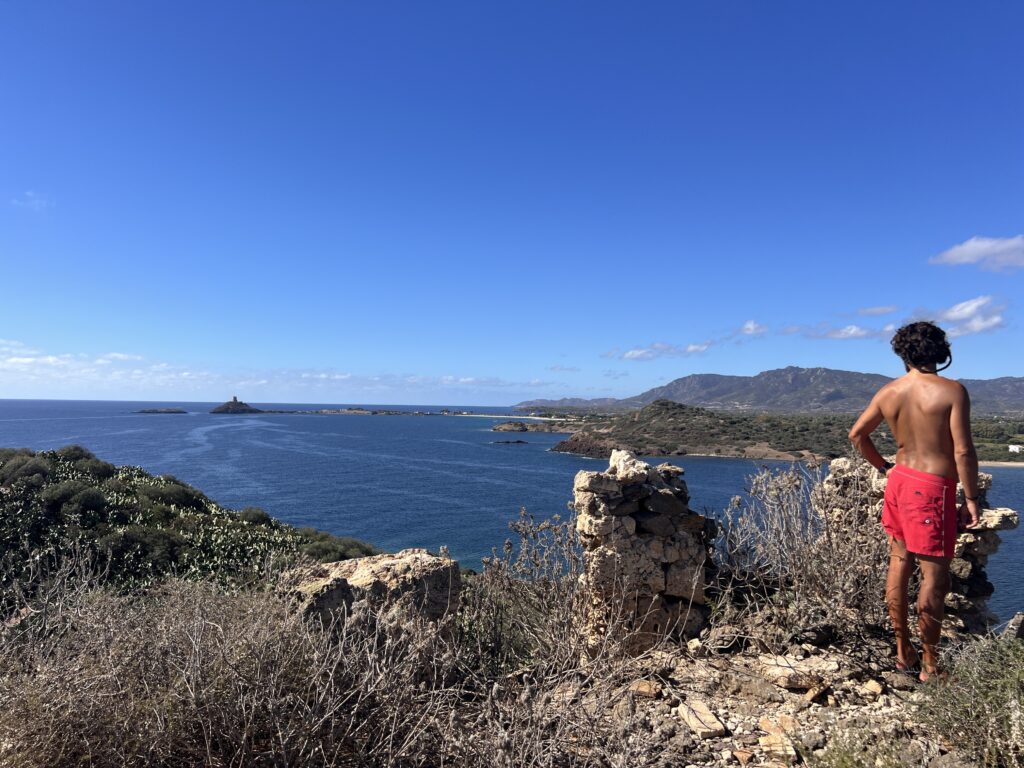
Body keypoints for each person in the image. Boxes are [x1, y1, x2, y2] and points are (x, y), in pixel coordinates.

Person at [848, 320, 980, 682]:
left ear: (902, 353)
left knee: (899, 564)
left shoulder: (889, 392)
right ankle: (931, 666)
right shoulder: (952, 391)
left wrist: (885, 467)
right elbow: (963, 451)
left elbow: (857, 434)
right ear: (941, 351)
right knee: (933, 579)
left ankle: (903, 652)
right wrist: (970, 498)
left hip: (901, 481)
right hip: (932, 487)